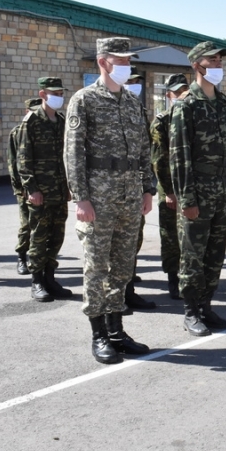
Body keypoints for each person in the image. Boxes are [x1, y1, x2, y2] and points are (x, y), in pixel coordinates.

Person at [64, 37, 152, 364]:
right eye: (121, 60)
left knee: (123, 266)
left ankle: (117, 330)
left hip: (130, 196)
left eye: (129, 60)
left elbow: (144, 150)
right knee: (97, 266)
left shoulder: (131, 101)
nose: (127, 66)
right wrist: (81, 198)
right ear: (103, 62)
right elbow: (73, 153)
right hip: (98, 198)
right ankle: (99, 334)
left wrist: (147, 189)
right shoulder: (83, 100)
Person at [170, 41, 226, 337]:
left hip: (222, 194)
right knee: (192, 256)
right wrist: (186, 198)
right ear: (197, 65)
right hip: (197, 194)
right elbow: (179, 156)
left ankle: (207, 306)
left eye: (219, 61)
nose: (217, 66)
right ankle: (190, 312)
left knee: (215, 255)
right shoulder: (186, 105)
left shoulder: (224, 104)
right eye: (211, 61)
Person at [18, 77, 73, 302]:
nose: (58, 96)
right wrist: (32, 189)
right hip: (40, 192)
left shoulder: (61, 121)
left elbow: (67, 156)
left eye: (60, 92)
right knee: (39, 237)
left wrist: (69, 186)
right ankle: (37, 281)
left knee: (56, 236)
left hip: (59, 191)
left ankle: (50, 278)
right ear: (42, 94)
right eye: (54, 92)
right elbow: (23, 159)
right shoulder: (31, 121)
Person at [150, 73, 189, 300]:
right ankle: (173, 280)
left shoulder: (190, 115)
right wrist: (169, 191)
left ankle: (189, 277)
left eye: (185, 89)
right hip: (171, 190)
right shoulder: (162, 121)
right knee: (171, 237)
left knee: (190, 239)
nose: (182, 94)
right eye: (177, 92)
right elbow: (159, 160)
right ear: (168, 95)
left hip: (190, 189)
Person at [122, 68, 156, 311]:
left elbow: (146, 152)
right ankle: (115, 298)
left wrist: (148, 188)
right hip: (108, 190)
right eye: (130, 81)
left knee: (133, 240)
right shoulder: (95, 104)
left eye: (137, 81)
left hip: (134, 188)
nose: (135, 84)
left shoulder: (139, 110)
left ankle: (128, 288)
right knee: (111, 250)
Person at [9, 98, 40, 276]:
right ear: (26, 111)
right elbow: (13, 163)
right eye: (32, 111)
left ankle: (40, 260)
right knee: (27, 224)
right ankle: (21, 256)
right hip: (25, 188)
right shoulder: (17, 132)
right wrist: (20, 188)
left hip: (44, 186)